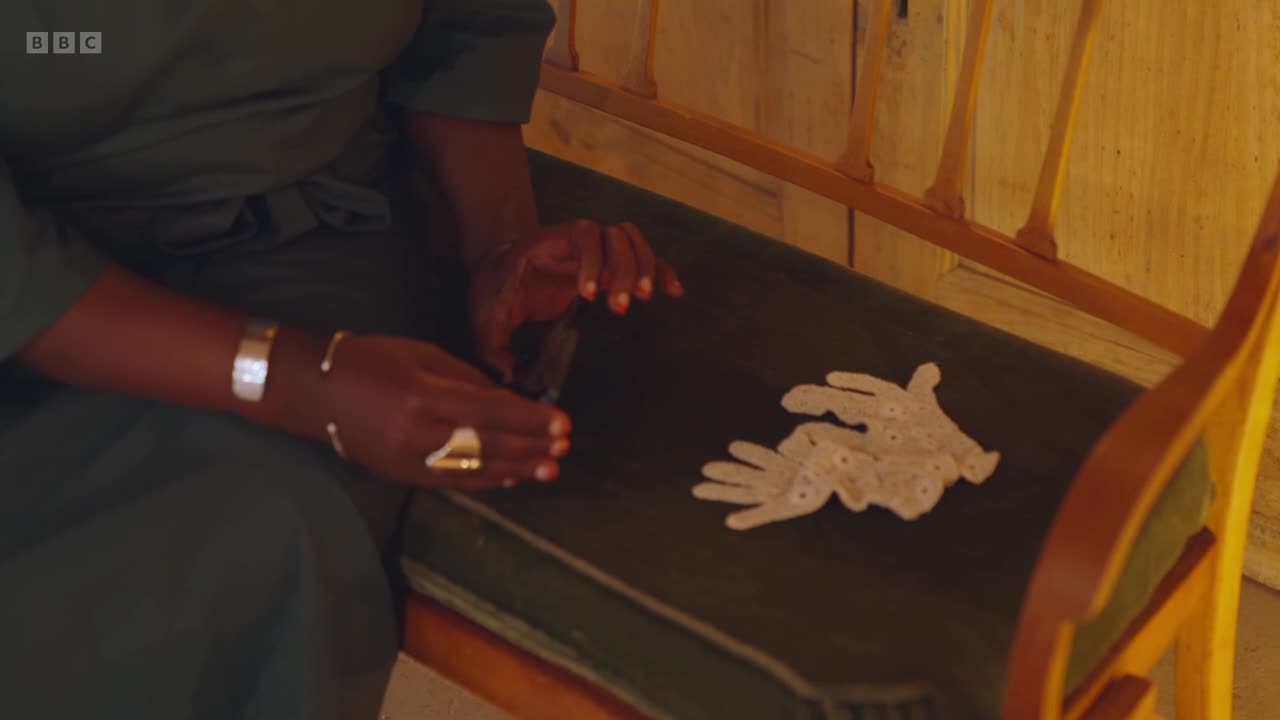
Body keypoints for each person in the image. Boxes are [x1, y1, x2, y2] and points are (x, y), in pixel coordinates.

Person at [0, 1, 683, 718]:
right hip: (37, 281)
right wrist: (299, 380)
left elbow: (466, 24)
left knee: (256, 531)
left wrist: (499, 244)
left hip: (303, 244)